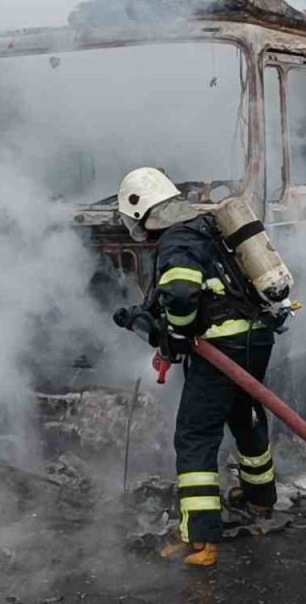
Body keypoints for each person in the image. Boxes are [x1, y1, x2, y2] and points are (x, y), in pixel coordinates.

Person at [115, 167, 278, 567]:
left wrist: (178, 336)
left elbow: (183, 294)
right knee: (244, 414)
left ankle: (202, 540)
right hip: (255, 336)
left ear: (143, 213)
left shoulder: (177, 241)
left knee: (194, 436)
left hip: (222, 346)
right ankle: (260, 499)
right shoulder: (205, 227)